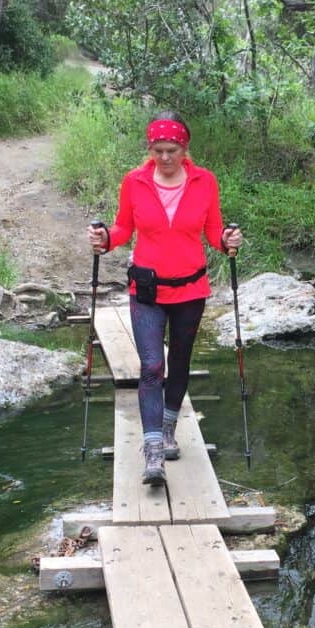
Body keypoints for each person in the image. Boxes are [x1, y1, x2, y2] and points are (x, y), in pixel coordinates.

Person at [87, 111, 243, 486]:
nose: (165, 158)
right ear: (150, 149)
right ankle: (153, 449)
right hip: (147, 290)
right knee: (152, 366)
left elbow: (213, 230)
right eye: (158, 150)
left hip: (191, 289)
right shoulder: (135, 181)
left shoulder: (205, 181)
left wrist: (227, 241)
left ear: (184, 148)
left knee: (180, 360)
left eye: (172, 150)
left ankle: (170, 427)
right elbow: (124, 226)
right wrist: (106, 238)